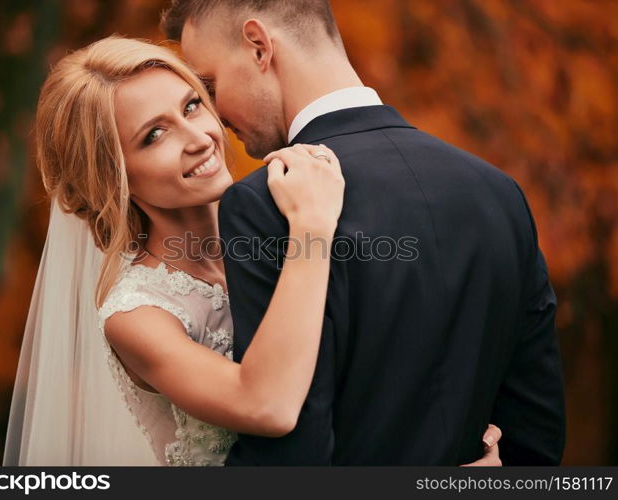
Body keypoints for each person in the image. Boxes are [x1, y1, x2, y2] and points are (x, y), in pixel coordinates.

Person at [4, 36, 501, 466]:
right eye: (154, 135)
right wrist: (311, 228)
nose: (198, 137)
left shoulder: (277, 226)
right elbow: (268, 406)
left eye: (192, 105)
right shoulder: (136, 315)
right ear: (113, 177)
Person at [162, 0, 565, 465]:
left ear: (258, 46)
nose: (212, 112)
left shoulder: (267, 204)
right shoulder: (499, 192)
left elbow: (291, 458)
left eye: (209, 85)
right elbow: (535, 437)